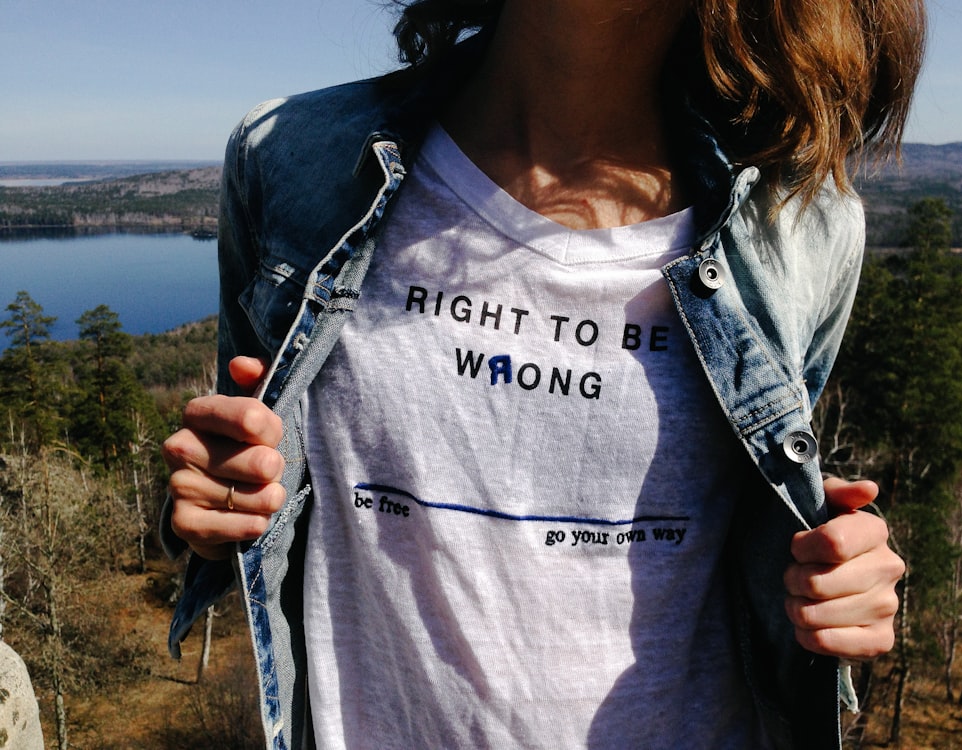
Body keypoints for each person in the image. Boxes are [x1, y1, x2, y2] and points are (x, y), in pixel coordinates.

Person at [161, 1, 922, 747]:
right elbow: (246, 471)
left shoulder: (799, 225)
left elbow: (768, 527)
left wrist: (838, 585)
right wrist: (219, 504)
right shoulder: (295, 158)